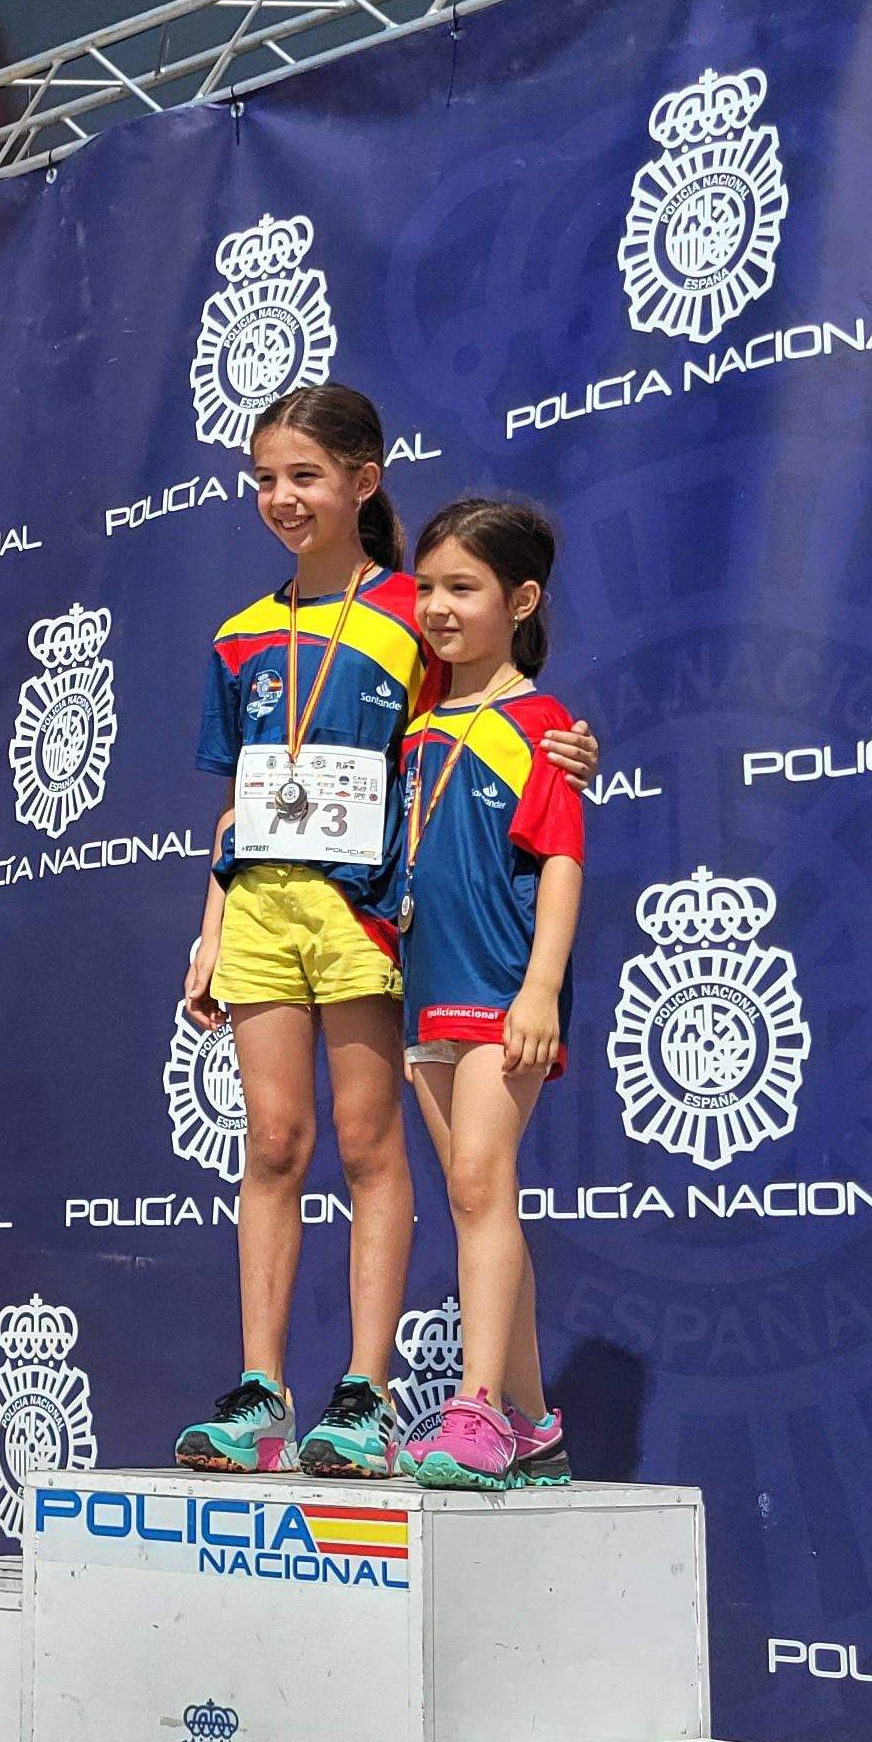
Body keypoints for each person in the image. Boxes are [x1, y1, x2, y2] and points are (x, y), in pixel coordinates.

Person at [174, 386, 598, 1480]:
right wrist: (210, 927)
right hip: (260, 907)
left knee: (370, 1144)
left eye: (304, 476)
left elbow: (492, 708)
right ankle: (260, 1390)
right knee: (273, 1142)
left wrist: (571, 750)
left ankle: (365, 1392)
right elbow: (236, 797)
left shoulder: (420, 611)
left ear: (364, 482)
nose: (282, 497)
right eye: (265, 479)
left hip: (366, 911)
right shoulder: (239, 635)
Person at [387, 499, 586, 1491]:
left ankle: (475, 1409)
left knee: (478, 1184)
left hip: (503, 991)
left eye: (462, 588)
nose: (437, 607)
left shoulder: (541, 727)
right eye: (426, 587)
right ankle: (534, 1425)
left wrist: (540, 988)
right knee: (477, 1200)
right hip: (423, 991)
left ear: (522, 600)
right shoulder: (418, 725)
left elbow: (561, 861)